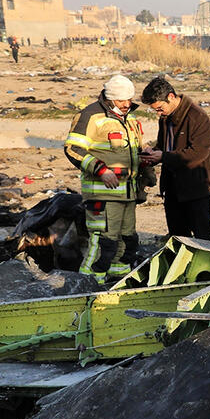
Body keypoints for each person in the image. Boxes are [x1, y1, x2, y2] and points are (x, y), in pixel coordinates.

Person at [63, 75, 145, 283]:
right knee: (103, 242)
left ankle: (117, 278)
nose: (127, 104)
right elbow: (73, 149)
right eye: (121, 101)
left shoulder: (131, 118)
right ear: (109, 99)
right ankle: (88, 284)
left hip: (128, 193)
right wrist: (101, 170)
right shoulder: (90, 116)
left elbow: (132, 151)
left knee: (127, 240)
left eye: (129, 100)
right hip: (102, 193)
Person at [140, 77, 210, 240]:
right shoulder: (165, 117)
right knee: (177, 235)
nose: (158, 113)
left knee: (202, 235)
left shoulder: (198, 117)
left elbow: (198, 153)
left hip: (197, 187)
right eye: (156, 110)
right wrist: (152, 154)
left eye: (160, 109)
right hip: (172, 187)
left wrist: (163, 156)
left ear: (170, 97)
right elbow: (163, 146)